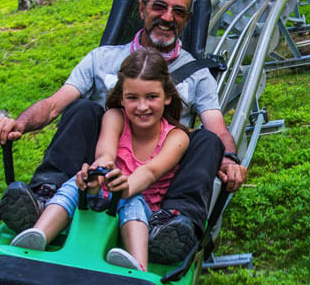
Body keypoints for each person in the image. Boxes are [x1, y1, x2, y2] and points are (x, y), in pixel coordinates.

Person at [0, 0, 247, 263]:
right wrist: (21, 123)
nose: (167, 17)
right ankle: (45, 196)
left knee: (206, 141)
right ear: (141, 8)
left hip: (162, 169)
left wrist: (229, 158)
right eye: (159, 7)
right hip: (100, 166)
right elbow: (53, 105)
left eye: (178, 11)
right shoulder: (102, 58)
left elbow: (216, 126)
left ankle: (174, 223)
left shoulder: (198, 74)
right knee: (83, 109)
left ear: (187, 20)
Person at [10, 49, 190, 271]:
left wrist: (125, 188)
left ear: (167, 96)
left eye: (151, 97)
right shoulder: (115, 117)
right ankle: (38, 235)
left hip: (143, 209)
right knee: (72, 185)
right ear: (122, 98)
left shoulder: (176, 137)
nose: (142, 107)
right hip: (105, 197)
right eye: (132, 98)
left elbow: (150, 172)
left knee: (131, 200)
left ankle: (138, 264)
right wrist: (94, 175)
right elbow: (105, 155)